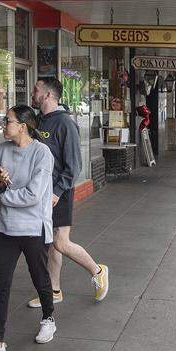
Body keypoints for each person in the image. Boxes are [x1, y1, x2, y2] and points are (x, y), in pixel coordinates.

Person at [0, 105, 56, 351]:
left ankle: (48, 319)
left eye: (7, 121)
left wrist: (5, 191)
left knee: (40, 277)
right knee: (1, 286)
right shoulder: (0, 150)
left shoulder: (42, 153)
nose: (3, 125)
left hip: (32, 228)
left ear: (23, 125)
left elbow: (33, 196)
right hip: (4, 227)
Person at [26, 77, 109, 310]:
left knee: (61, 243)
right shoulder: (39, 121)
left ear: (48, 95)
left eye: (36, 89)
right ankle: (54, 291)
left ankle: (97, 270)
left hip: (58, 194)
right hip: (40, 193)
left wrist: (57, 191)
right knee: (50, 243)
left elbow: (73, 166)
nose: (32, 92)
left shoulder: (64, 123)